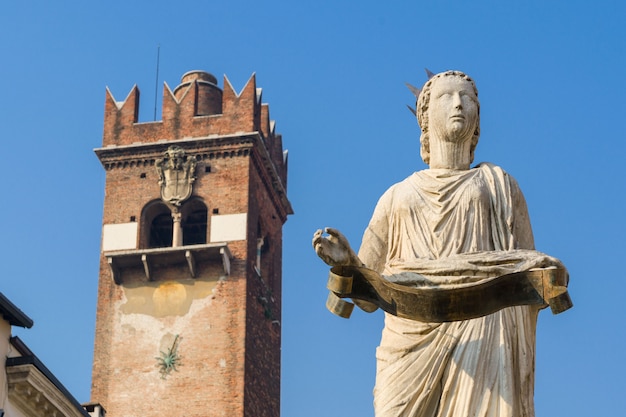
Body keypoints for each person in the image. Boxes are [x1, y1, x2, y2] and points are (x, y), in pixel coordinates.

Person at [313, 70, 566, 417]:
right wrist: (346, 263)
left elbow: (525, 273)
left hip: (484, 325)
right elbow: (369, 298)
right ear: (425, 116)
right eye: (447, 96)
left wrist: (544, 271)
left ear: (478, 120)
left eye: (469, 98)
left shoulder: (499, 185)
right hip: (409, 335)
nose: (459, 104)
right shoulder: (397, 196)